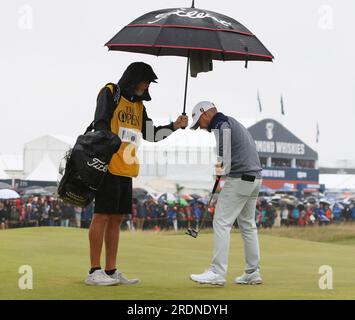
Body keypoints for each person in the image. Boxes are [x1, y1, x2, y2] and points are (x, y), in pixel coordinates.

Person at [85, 62, 188, 286]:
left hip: (127, 167)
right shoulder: (110, 92)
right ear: (134, 78)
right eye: (146, 81)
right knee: (101, 214)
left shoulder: (140, 106)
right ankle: (94, 271)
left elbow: (150, 134)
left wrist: (174, 126)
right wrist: (107, 150)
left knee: (116, 217)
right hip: (107, 164)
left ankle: (111, 271)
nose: (147, 85)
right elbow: (101, 124)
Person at [189, 101, 263, 286]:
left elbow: (225, 160)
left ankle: (217, 272)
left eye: (199, 122)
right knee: (247, 224)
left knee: (221, 222)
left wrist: (219, 172)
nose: (200, 127)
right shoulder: (230, 122)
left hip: (240, 178)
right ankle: (253, 272)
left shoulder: (221, 125)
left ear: (205, 114)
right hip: (255, 178)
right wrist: (221, 170)